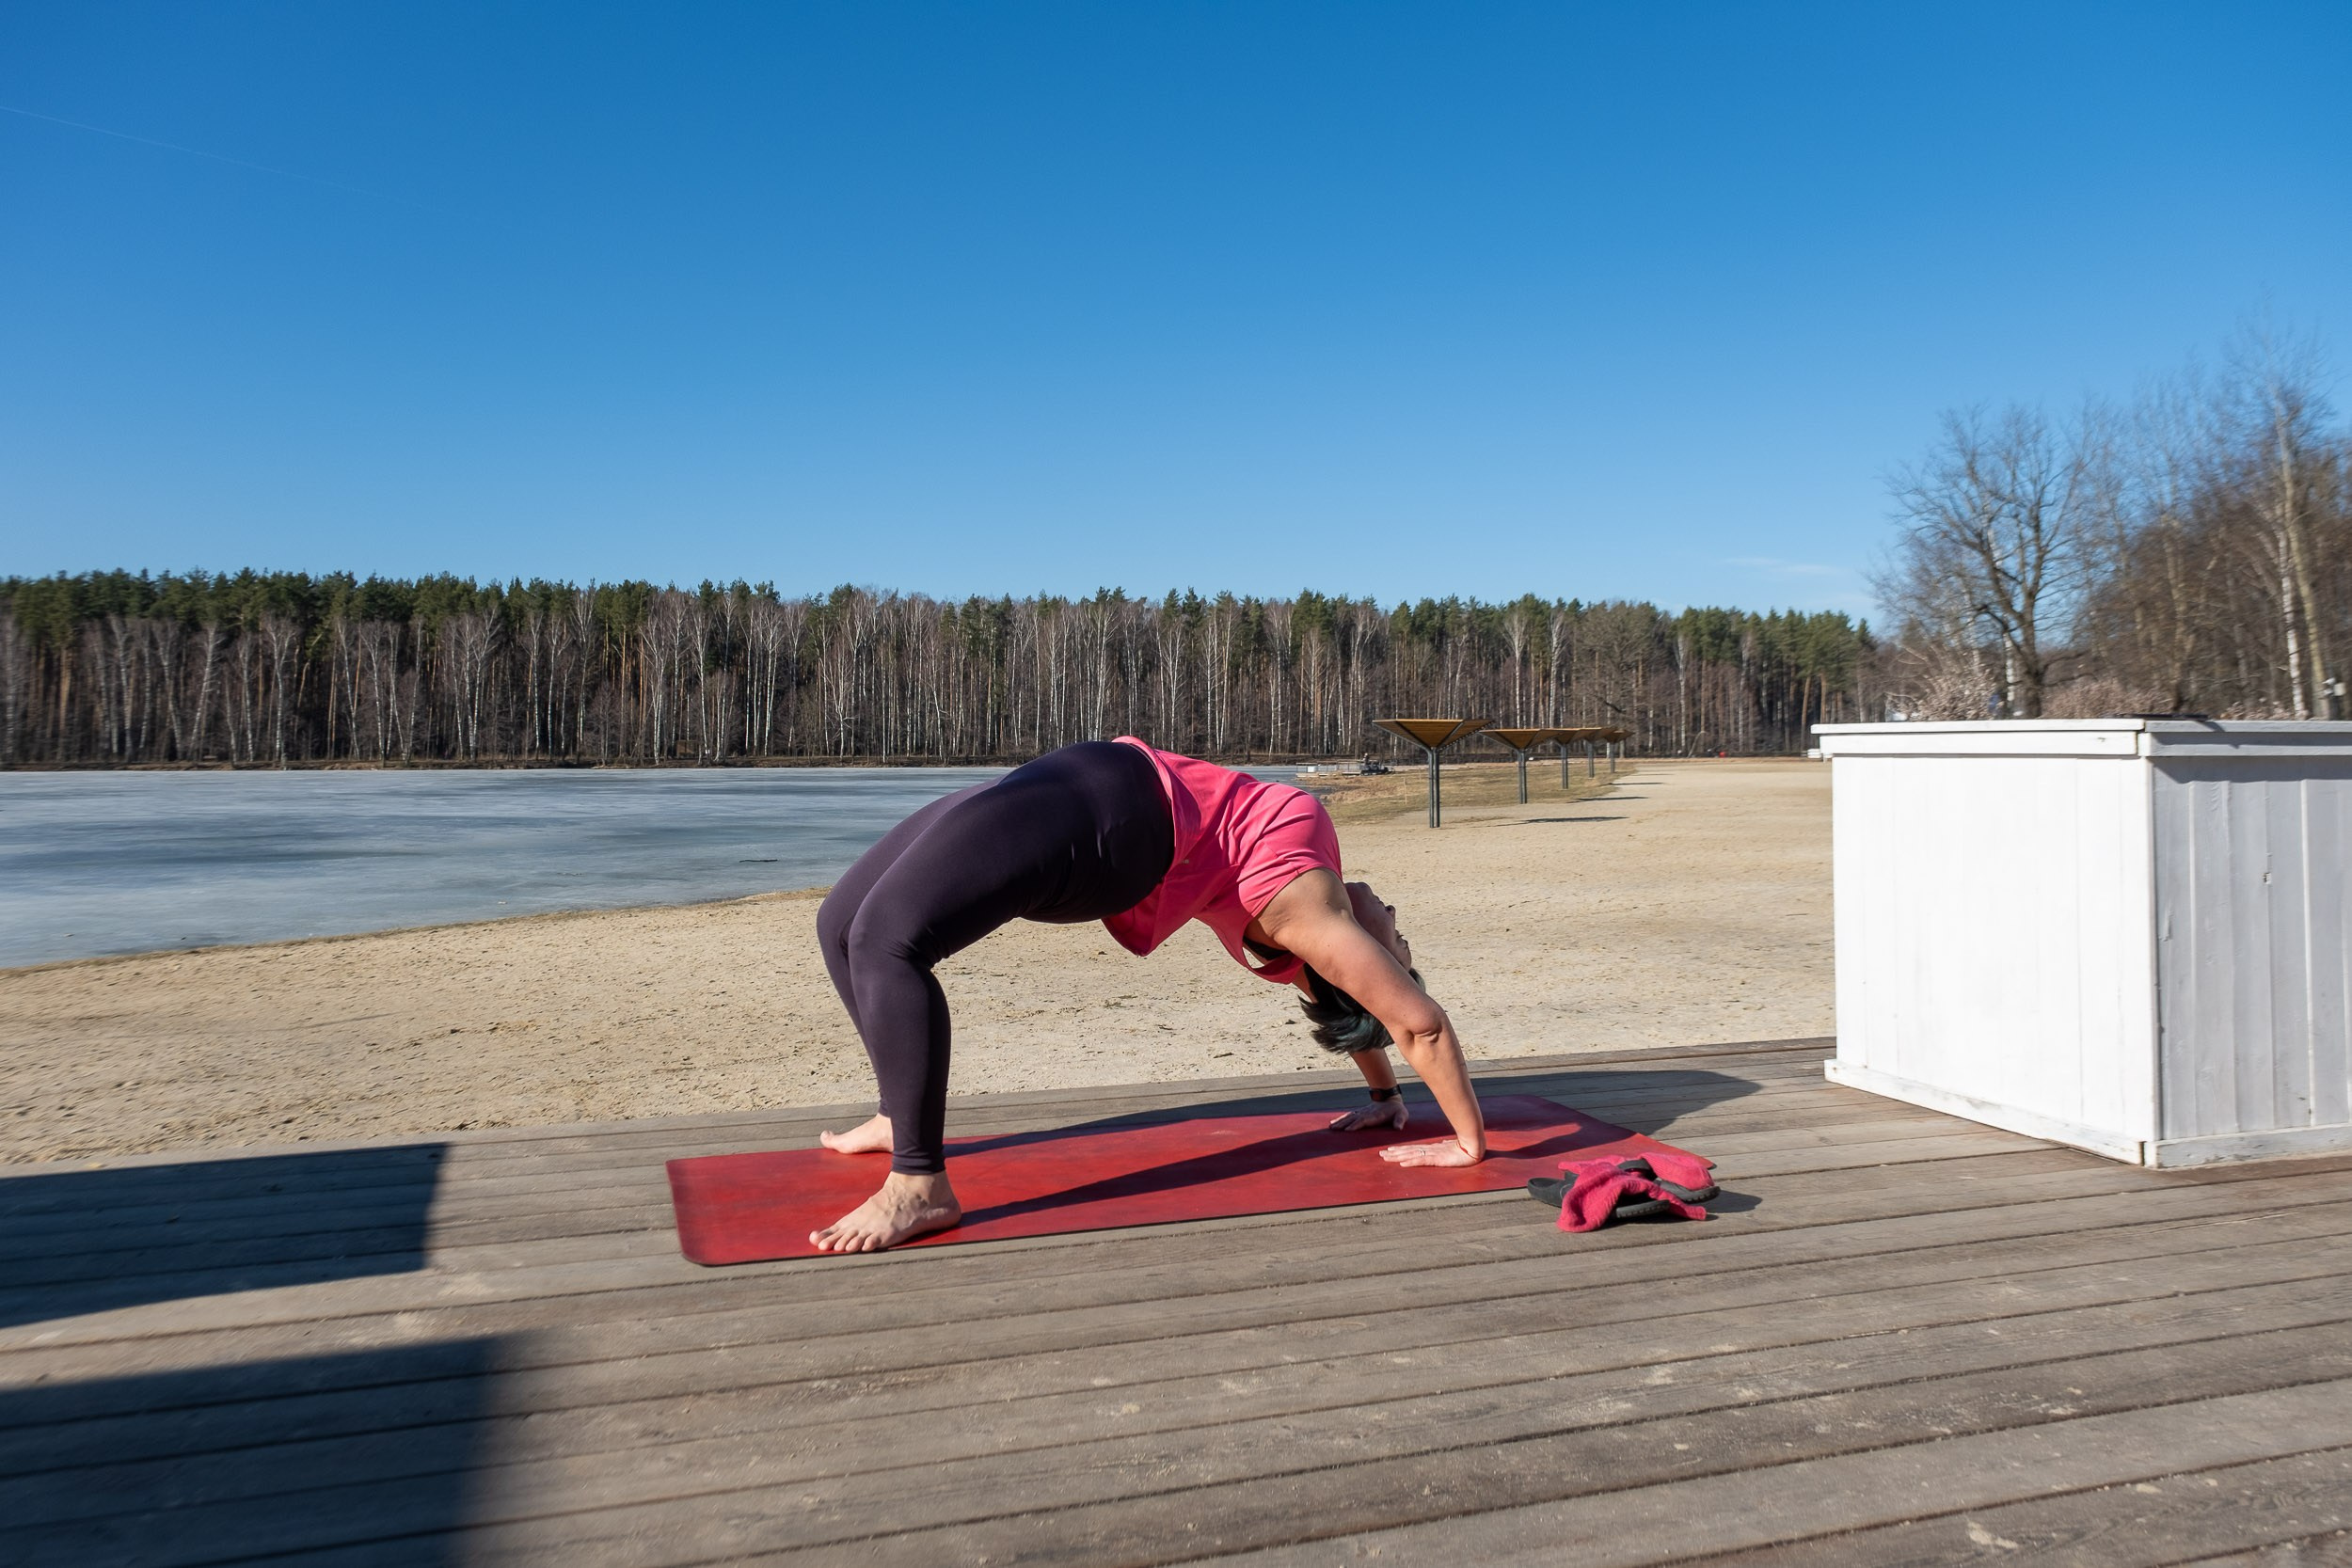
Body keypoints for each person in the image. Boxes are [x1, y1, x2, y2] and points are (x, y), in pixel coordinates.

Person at [809, 736, 1486, 1251]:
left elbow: (1416, 1024)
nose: (1394, 919)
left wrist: (1468, 1143)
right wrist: (1384, 1096)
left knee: (887, 940)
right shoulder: (1314, 929)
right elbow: (1348, 1007)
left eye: (1397, 947)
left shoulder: (1306, 908)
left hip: (1110, 820)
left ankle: (920, 1182)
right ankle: (901, 1112)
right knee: (840, 921)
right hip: (1084, 779)